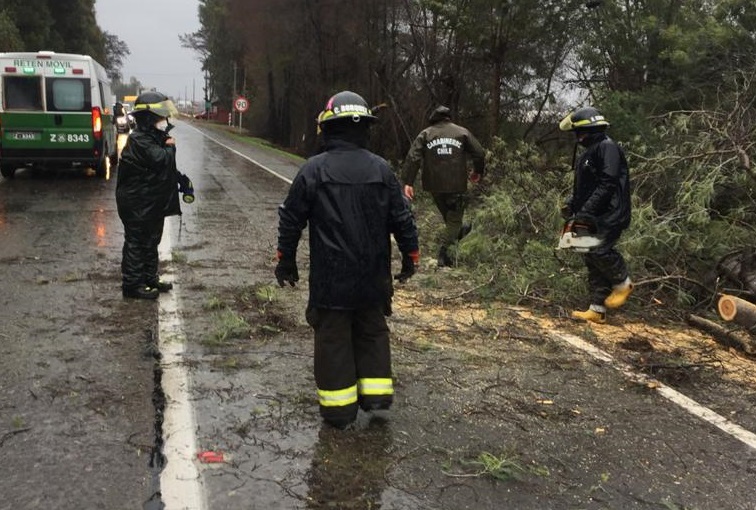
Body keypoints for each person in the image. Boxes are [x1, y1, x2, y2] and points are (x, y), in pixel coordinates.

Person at [275, 90, 419, 430]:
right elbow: (403, 219)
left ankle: (339, 411)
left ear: (328, 128)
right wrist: (410, 257)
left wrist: (286, 260)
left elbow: (291, 219)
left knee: (333, 338)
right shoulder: (382, 169)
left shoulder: (313, 170)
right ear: (364, 128)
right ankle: (376, 398)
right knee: (372, 331)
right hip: (373, 278)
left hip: (331, 280)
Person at [116, 91, 193, 299]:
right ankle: (133, 285)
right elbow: (161, 160)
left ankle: (150, 278)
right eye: (160, 117)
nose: (164, 121)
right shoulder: (140, 139)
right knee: (137, 243)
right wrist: (171, 148)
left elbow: (163, 170)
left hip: (149, 202)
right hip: (137, 203)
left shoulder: (153, 137)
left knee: (151, 241)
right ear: (149, 118)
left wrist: (181, 180)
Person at [559, 106, 633, 323]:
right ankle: (597, 309)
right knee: (590, 256)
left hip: (610, 212)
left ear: (588, 130)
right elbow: (586, 188)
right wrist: (572, 204)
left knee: (599, 250)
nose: (577, 138)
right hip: (594, 213)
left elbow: (607, 183)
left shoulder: (607, 147)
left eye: (578, 133)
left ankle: (623, 283)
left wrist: (586, 210)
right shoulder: (590, 152)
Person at [401, 106, 485, 266]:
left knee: (451, 218)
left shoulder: (426, 134)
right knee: (454, 220)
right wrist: (478, 171)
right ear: (448, 117)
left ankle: (458, 231)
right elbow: (479, 152)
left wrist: (408, 182)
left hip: (434, 185)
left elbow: (413, 157)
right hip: (456, 185)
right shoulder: (462, 132)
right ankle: (445, 254)